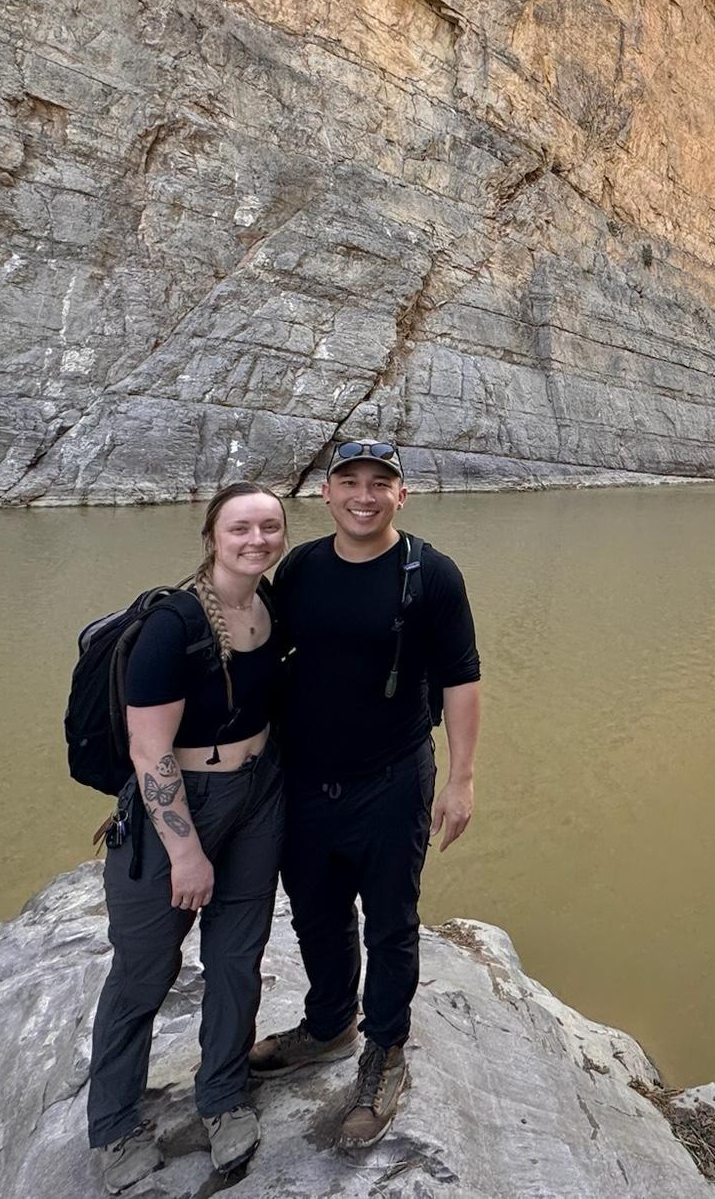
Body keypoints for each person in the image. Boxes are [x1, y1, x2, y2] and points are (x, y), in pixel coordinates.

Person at [249, 439, 482, 1150]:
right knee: (316, 915)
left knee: (390, 920)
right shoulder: (302, 568)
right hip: (305, 779)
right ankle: (327, 1026)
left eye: (380, 483)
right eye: (349, 481)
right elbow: (261, 653)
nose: (364, 495)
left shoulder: (432, 574)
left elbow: (462, 678)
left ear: (401, 496)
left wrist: (464, 779)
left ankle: (383, 1050)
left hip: (393, 778)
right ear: (326, 494)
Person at [87, 483, 290, 1194]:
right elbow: (150, 752)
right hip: (178, 805)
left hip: (259, 794)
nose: (256, 539)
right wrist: (186, 852)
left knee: (237, 956)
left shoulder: (270, 607)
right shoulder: (175, 626)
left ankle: (223, 1094)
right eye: (241, 527)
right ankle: (113, 1127)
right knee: (143, 972)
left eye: (269, 526)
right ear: (211, 536)